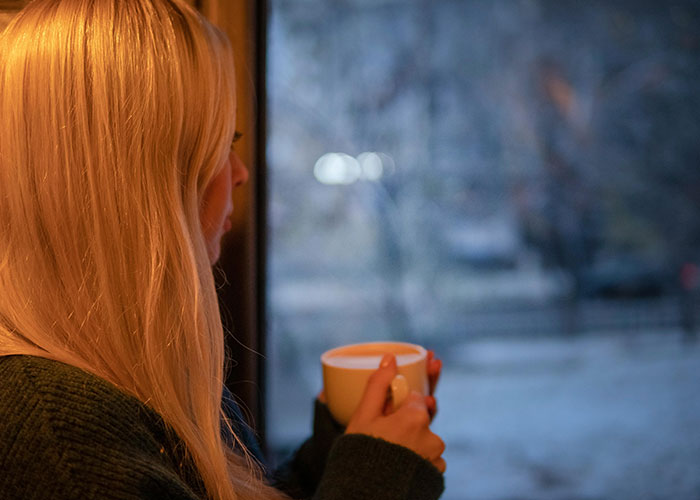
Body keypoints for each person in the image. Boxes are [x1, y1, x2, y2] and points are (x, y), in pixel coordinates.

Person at [0, 1, 446, 499]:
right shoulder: (57, 441)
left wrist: (339, 450)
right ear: (136, 183)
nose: (240, 172)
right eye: (221, 144)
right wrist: (375, 481)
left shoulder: (125, 376)